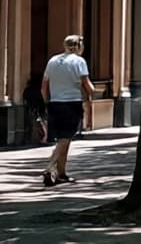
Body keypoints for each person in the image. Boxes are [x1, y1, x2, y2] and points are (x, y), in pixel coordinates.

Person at [40, 35, 94, 186]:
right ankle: (49, 167)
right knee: (65, 138)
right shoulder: (79, 61)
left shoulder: (53, 61)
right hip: (72, 103)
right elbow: (88, 86)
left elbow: (44, 87)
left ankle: (61, 174)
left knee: (64, 139)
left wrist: (47, 102)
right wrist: (92, 92)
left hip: (55, 103)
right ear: (78, 47)